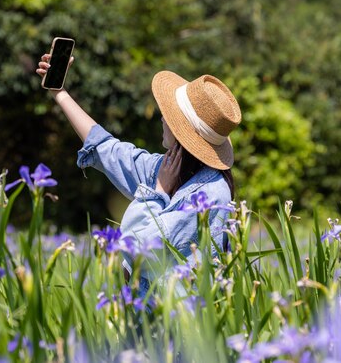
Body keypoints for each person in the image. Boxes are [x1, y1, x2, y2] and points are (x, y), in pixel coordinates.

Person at [36, 52, 241, 297]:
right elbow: (107, 149)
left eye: (171, 116)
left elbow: (137, 251)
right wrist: (60, 93)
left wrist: (158, 193)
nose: (163, 118)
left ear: (182, 132)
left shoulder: (210, 194)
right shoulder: (169, 169)